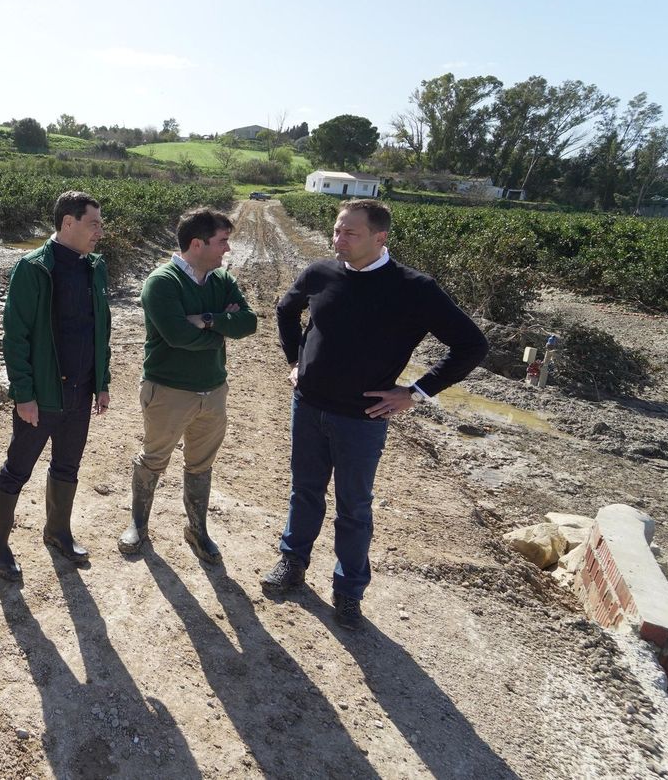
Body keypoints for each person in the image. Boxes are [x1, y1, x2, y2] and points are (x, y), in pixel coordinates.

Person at [262, 199, 487, 629]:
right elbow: (286, 311)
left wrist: (416, 392)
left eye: (350, 233)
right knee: (304, 491)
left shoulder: (414, 289)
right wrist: (296, 361)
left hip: (361, 421)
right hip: (308, 407)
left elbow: (471, 345)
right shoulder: (320, 274)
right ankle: (292, 562)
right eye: (336, 231)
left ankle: (348, 592)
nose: (337, 240)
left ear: (380, 238)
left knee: (354, 506)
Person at [118, 208, 256, 562]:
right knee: (153, 458)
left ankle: (197, 530)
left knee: (201, 463)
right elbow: (178, 336)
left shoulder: (221, 280)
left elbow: (249, 323)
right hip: (168, 391)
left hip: (213, 391)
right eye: (222, 241)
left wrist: (208, 319)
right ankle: (138, 524)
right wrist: (223, 329)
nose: (227, 249)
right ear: (198, 243)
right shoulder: (162, 282)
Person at [0, 191, 110, 581]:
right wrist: (24, 394)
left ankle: (57, 531)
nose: (100, 233)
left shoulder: (95, 268)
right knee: (17, 470)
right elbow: (16, 337)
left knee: (68, 466)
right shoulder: (33, 268)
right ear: (68, 223)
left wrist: (101, 382)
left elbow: (99, 330)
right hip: (42, 397)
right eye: (94, 224)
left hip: (81, 392)